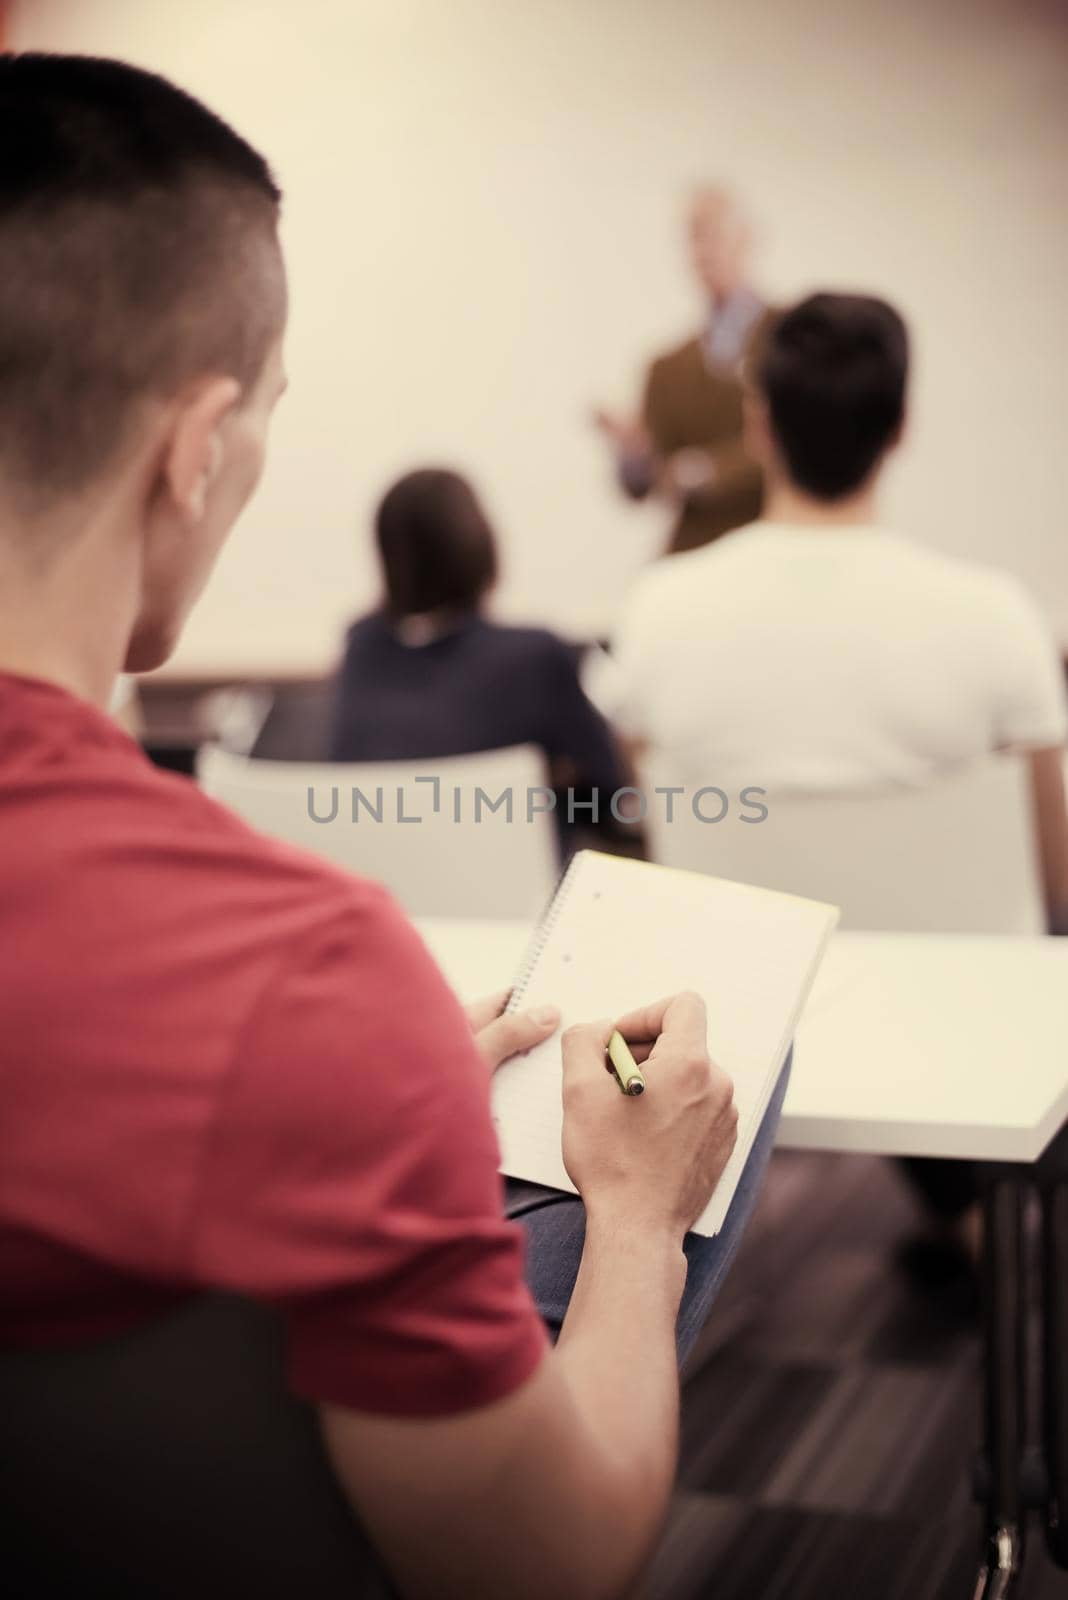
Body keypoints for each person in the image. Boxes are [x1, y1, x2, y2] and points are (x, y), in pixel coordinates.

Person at [0, 54, 786, 1598]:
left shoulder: (328, 838)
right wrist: (632, 1219)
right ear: (195, 445)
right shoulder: (304, 974)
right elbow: (542, 1568)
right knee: (671, 1096)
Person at [611, 290, 1068, 1278]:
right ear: (899, 428)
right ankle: (996, 1218)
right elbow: (1052, 868)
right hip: (961, 1021)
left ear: (758, 424)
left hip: (739, 1004)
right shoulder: (998, 617)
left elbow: (651, 825)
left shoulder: (659, 611)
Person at [329, 467, 626, 813]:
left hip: (378, 864)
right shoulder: (536, 656)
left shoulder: (362, 647)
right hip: (516, 864)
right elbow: (612, 799)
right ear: (481, 544)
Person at [595, 185, 767, 555]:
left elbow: (806, 439)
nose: (702, 251)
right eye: (692, 238)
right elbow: (645, 488)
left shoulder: (791, 335)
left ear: (746, 237)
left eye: (711, 233)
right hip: (695, 551)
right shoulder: (666, 367)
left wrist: (704, 471)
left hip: (770, 540)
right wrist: (635, 454)